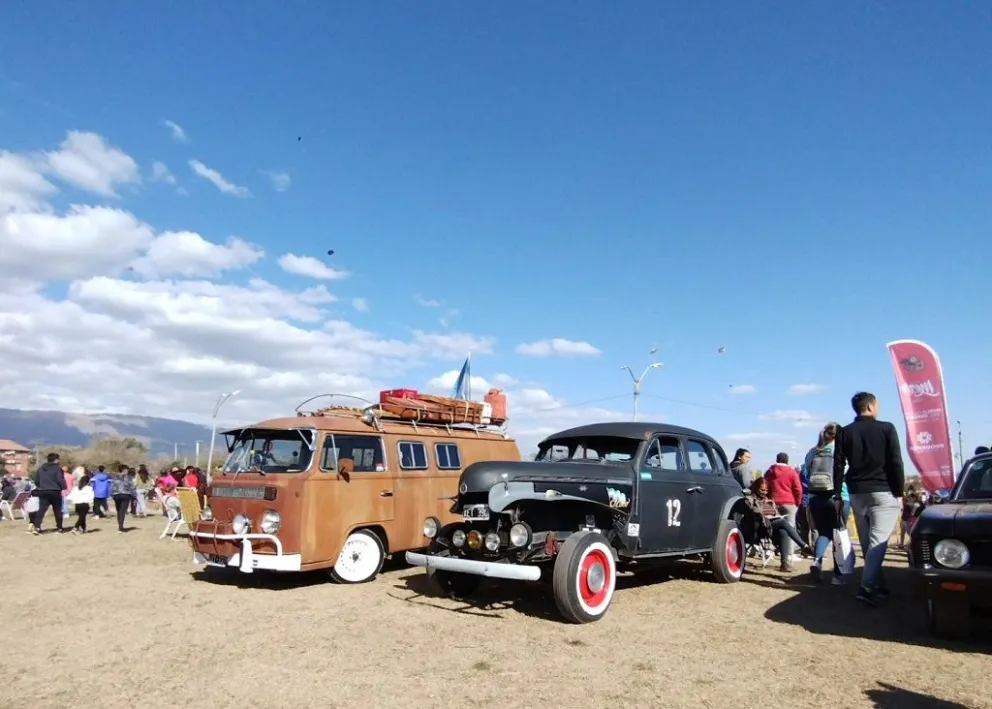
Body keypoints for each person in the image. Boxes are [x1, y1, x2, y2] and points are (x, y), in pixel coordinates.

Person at [833, 391, 905, 605]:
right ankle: (866, 588)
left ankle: (878, 585)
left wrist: (838, 493)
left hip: (856, 492)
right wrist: (899, 491)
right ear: (872, 406)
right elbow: (896, 462)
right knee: (878, 542)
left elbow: (838, 464)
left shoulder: (844, 432)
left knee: (868, 542)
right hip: (883, 491)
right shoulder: (887, 428)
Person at [804, 423, 851, 584]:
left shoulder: (813, 451)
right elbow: (847, 472)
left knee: (824, 532)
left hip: (815, 497)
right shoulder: (841, 450)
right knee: (839, 534)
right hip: (838, 496)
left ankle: (817, 561)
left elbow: (805, 473)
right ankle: (838, 576)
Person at [746, 477, 812, 570]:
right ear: (756, 488)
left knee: (783, 531)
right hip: (760, 527)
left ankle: (784, 563)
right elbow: (752, 511)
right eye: (762, 490)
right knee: (784, 523)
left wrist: (774, 515)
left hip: (772, 526)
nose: (764, 492)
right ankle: (803, 546)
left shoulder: (769, 499)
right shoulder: (750, 499)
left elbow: (775, 513)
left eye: (766, 490)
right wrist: (763, 514)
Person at [764, 453, 803, 567]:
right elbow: (798, 489)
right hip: (789, 503)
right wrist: (797, 502)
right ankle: (789, 556)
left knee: (776, 528)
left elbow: (764, 485)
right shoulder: (792, 472)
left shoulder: (770, 471)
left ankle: (773, 550)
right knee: (790, 529)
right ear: (787, 460)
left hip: (773, 503)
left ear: (776, 459)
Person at [30, 452, 68, 535]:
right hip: (55, 491)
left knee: (41, 510)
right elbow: (60, 479)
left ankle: (37, 527)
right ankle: (59, 528)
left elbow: (36, 480)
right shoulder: (57, 469)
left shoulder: (40, 469)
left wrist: (41, 487)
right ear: (56, 460)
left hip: (43, 491)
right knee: (57, 510)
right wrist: (64, 486)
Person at [110, 466, 137, 533]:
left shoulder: (115, 477)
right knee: (122, 511)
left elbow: (112, 486)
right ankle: (121, 527)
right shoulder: (128, 477)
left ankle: (120, 525)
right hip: (125, 494)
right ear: (124, 470)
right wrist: (134, 495)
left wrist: (112, 494)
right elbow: (132, 487)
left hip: (116, 495)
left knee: (118, 510)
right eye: (127, 470)